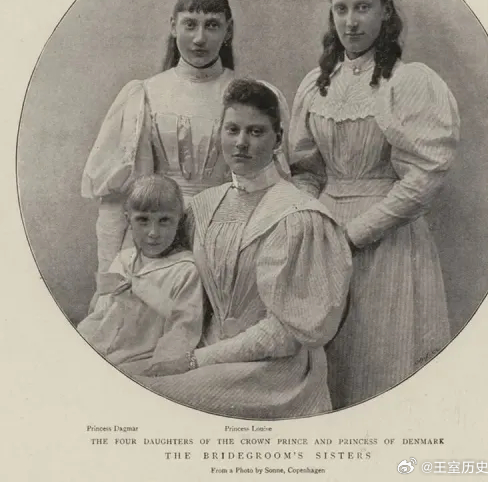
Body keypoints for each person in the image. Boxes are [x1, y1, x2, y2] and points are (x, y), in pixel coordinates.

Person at [288, 0, 460, 408]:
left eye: (362, 7)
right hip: (326, 243)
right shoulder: (316, 86)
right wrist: (315, 224)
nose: (351, 21)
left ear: (386, 12)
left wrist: (358, 231)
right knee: (328, 374)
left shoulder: (407, 83)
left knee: (381, 367)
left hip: (389, 242)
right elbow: (305, 170)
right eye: (341, 9)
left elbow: (424, 177)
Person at [131, 79, 352, 419]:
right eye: (232, 129)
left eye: (256, 132)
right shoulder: (203, 207)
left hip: (275, 372)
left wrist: (194, 361)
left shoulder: (300, 216)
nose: (241, 143)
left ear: (277, 139)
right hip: (205, 355)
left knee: (148, 398)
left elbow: (288, 334)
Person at [81, 0, 237, 277]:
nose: (200, 38)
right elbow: (115, 200)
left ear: (227, 31)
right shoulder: (145, 95)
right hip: (154, 242)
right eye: (190, 24)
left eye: (212, 25)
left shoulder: (244, 94)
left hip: (223, 240)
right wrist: (108, 272)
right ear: (173, 26)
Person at [77, 174, 203, 371]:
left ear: (179, 221)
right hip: (101, 349)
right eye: (143, 220)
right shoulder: (123, 259)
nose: (153, 232)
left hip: (142, 359)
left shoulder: (185, 270)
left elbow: (183, 330)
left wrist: (161, 366)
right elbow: (101, 313)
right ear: (128, 220)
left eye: (164, 221)